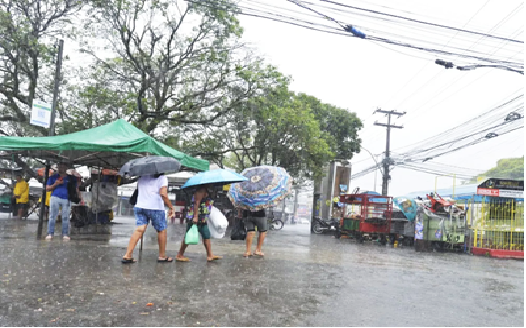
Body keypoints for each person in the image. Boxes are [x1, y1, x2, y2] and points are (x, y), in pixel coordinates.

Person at [122, 174, 175, 263]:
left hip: (140, 206)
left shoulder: (141, 177)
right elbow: (163, 194)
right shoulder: (162, 178)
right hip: (156, 208)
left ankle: (127, 255)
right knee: (161, 230)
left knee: (140, 229)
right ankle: (162, 256)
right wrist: (171, 207)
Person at [176, 185, 222, 262]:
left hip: (203, 219)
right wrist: (195, 216)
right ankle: (180, 254)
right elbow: (196, 203)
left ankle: (209, 255)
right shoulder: (201, 190)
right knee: (188, 237)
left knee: (206, 235)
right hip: (196, 218)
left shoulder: (208, 191)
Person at [45, 162, 78, 241]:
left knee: (66, 217)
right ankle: (50, 233)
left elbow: (76, 188)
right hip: (54, 197)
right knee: (52, 216)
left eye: (63, 166)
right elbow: (47, 188)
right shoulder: (53, 177)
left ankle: (65, 234)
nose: (61, 168)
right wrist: (55, 184)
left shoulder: (71, 178)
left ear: (66, 167)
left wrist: (79, 197)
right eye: (59, 166)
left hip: (67, 198)